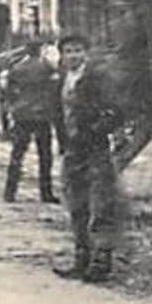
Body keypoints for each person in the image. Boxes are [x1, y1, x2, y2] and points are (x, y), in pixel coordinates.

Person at [51, 33, 123, 283]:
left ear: (86, 53)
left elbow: (116, 112)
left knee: (101, 203)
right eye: (68, 51)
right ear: (61, 54)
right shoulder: (61, 80)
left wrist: (95, 131)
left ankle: (102, 262)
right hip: (72, 150)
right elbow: (58, 113)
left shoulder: (98, 78)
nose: (73, 55)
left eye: (78, 50)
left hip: (94, 149)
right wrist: (63, 141)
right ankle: (81, 259)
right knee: (76, 203)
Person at [2, 40, 60, 203]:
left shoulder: (17, 68)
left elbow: (8, 91)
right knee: (45, 155)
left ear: (26, 51)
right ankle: (46, 192)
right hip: (41, 115)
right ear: (40, 50)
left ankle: (10, 191)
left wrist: (15, 107)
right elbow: (54, 89)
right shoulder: (47, 67)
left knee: (18, 153)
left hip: (22, 115)